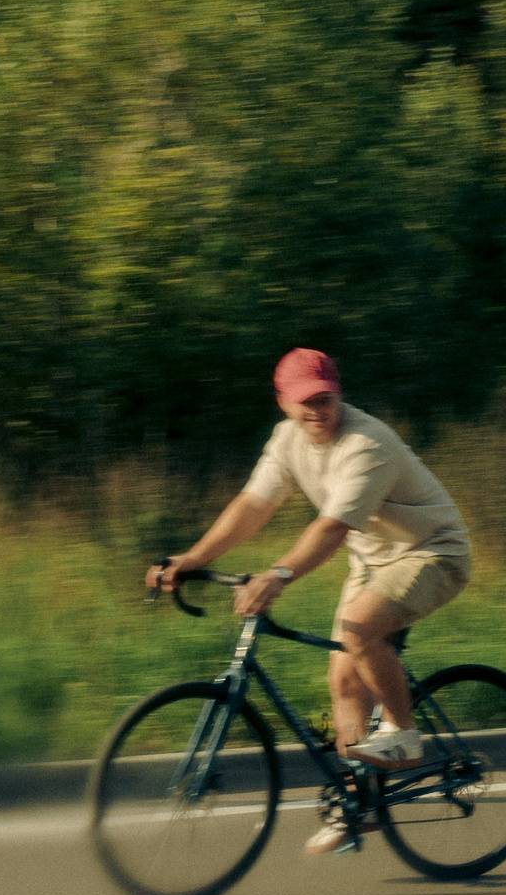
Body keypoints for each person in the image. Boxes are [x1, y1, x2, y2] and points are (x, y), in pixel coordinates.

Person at [147, 348, 473, 855]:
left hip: (432, 552)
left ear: (338, 393)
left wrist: (277, 575)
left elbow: (331, 528)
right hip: (373, 559)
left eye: (325, 398)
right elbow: (253, 505)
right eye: (304, 401)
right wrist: (190, 559)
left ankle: (404, 735)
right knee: (343, 678)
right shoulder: (287, 440)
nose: (317, 410)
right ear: (282, 403)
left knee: (358, 628)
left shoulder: (367, 443)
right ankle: (357, 802)